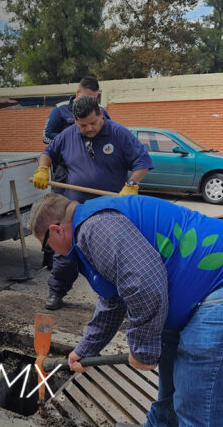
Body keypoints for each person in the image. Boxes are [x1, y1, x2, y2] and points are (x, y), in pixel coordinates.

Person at [29, 193, 223, 427]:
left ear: (56, 230)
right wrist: (85, 350)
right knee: (168, 346)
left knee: (201, 401)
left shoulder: (94, 229)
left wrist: (142, 348)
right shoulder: (94, 225)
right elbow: (113, 300)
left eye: (48, 247)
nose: (54, 254)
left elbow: (143, 283)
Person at [33, 95, 152, 310]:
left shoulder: (118, 133)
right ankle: (56, 292)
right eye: (83, 125)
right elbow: (47, 152)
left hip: (109, 211)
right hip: (74, 210)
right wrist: (42, 168)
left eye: (93, 123)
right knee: (66, 254)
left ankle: (119, 302)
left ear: (100, 115)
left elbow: (142, 161)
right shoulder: (68, 135)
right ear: (75, 122)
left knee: (112, 258)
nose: (89, 128)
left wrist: (132, 184)